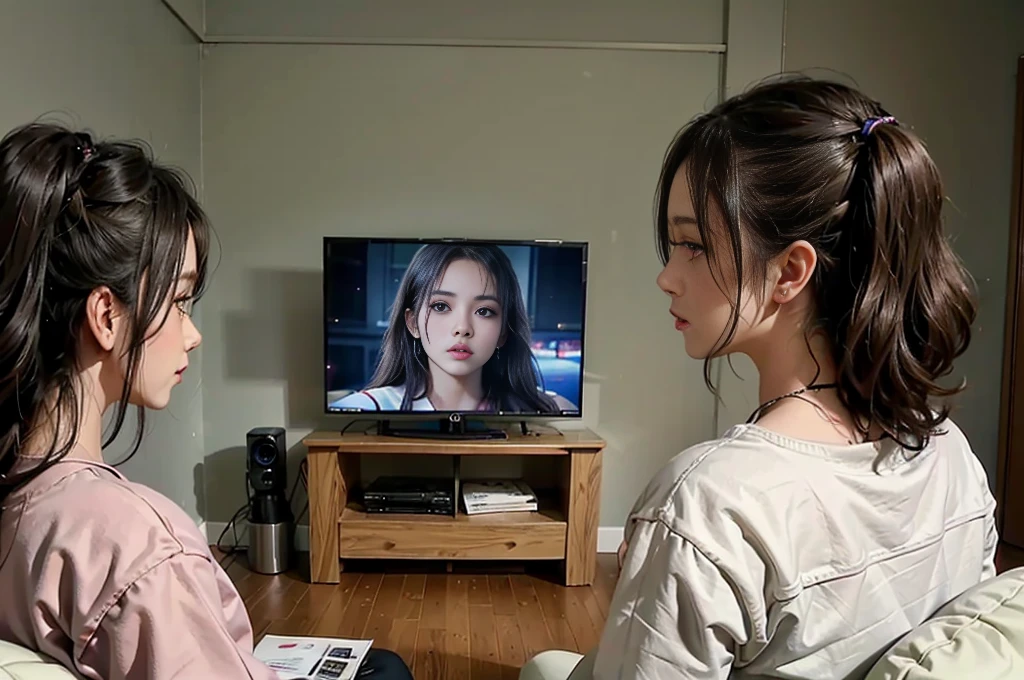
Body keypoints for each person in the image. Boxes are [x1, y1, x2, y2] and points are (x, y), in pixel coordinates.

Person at [527, 77, 996, 679]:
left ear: (789, 272)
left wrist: (676, 551)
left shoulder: (709, 505)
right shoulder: (949, 451)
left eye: (691, 245)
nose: (666, 278)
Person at [0, 123, 414, 680]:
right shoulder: (137, 543)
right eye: (178, 301)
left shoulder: (21, 490)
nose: (192, 334)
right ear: (105, 316)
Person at [331, 243, 577, 413]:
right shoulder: (365, 409)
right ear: (412, 322)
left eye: (484, 311)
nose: (462, 328)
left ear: (503, 331)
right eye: (440, 306)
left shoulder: (547, 410)